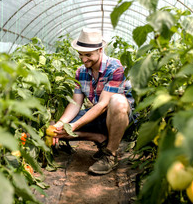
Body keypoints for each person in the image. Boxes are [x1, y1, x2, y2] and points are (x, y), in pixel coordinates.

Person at [52, 27, 135, 175]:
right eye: (81, 55)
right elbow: (75, 104)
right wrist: (60, 124)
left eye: (88, 55)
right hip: (98, 115)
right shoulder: (81, 72)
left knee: (117, 101)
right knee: (56, 129)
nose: (84, 60)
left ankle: (110, 154)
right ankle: (100, 139)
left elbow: (103, 105)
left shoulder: (115, 68)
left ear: (100, 50)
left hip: (119, 117)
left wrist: (74, 125)